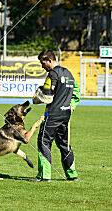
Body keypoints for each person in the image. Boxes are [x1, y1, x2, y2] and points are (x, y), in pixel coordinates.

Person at [29, 49, 81, 182]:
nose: (42, 66)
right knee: (64, 144)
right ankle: (72, 175)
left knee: (43, 142)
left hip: (52, 114)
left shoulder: (53, 73)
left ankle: (44, 176)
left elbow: (48, 94)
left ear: (50, 61)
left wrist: (37, 98)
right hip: (66, 114)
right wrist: (72, 106)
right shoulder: (68, 73)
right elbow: (77, 91)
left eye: (43, 63)